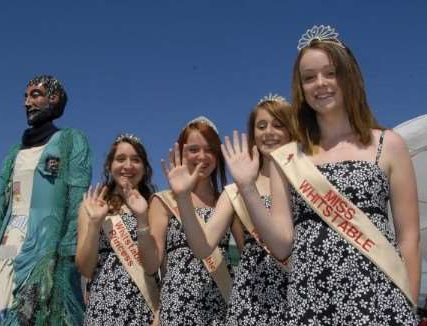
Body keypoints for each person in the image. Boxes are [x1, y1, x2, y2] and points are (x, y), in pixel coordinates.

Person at [224, 25, 420, 325]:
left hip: (381, 297)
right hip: (311, 300)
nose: (321, 83)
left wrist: (409, 303)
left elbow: (409, 238)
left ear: (349, 76)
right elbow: (281, 245)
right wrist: (248, 188)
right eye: (309, 78)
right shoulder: (287, 157)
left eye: (331, 73)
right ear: (301, 89)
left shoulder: (388, 144)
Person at [168, 97, 294, 325]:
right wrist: (184, 198)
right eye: (261, 126)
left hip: (303, 290)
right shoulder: (235, 191)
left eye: (279, 125)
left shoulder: (308, 178)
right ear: (253, 133)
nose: (269, 132)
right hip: (252, 301)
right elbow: (202, 246)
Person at [0, 75, 92, 324]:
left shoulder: (71, 141)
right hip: (9, 243)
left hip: (46, 248)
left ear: (54, 99)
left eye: (35, 95)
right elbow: (4, 205)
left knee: (36, 314)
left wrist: (67, 250)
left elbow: (76, 201)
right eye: (25, 96)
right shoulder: (14, 152)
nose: (27, 102)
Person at [138, 117, 235, 325]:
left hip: (222, 307)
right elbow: (151, 263)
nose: (202, 156)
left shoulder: (228, 200)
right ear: (181, 153)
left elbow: (247, 253)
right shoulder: (164, 201)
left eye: (209, 149)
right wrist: (141, 223)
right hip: (177, 309)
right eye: (193, 149)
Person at [76, 133, 159, 325]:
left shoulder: (155, 205)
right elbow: (85, 269)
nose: (128, 166)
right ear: (109, 165)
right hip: (103, 308)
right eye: (120, 159)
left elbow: (161, 266)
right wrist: (96, 223)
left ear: (145, 168)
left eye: (136, 160)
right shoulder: (91, 205)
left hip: (144, 309)